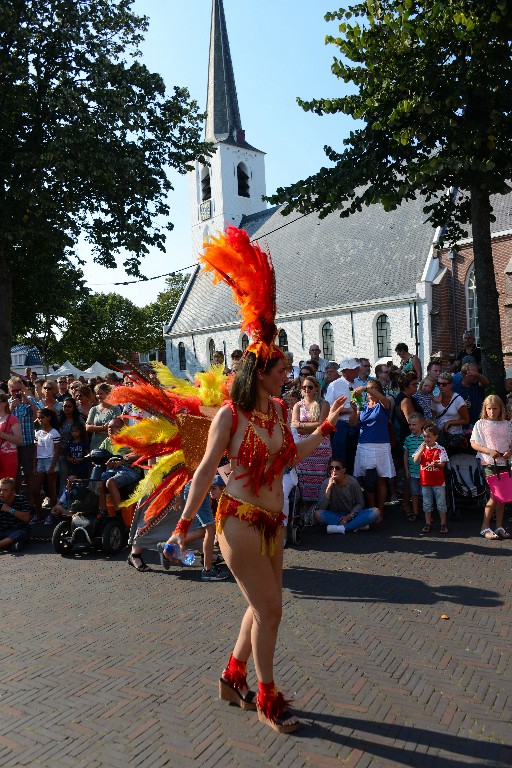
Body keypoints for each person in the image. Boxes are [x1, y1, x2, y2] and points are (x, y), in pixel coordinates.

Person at [162, 225, 346, 733]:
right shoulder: (231, 414)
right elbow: (203, 470)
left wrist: (327, 424)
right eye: (282, 367)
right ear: (260, 372)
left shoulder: (279, 410)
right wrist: (181, 527)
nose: (289, 372)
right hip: (238, 520)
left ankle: (233, 675)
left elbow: (291, 455)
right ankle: (267, 695)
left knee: (259, 607)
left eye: (287, 367)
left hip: (273, 521)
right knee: (272, 610)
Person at [349, 379, 395, 514]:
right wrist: (354, 410)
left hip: (381, 445)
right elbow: (352, 423)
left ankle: (380, 509)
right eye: (370, 389)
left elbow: (385, 400)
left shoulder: (384, 404)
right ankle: (372, 508)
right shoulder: (362, 405)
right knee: (368, 479)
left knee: (381, 479)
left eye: (375, 388)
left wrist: (365, 388)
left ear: (379, 390)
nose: (371, 391)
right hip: (364, 445)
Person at [470, 395, 512, 540]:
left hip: (505, 463)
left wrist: (509, 452)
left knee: (502, 497)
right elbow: (474, 443)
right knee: (495, 495)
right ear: (485, 409)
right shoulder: (480, 424)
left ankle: (499, 526)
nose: (492, 411)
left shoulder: (507, 424)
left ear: (501, 408)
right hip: (488, 462)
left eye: (495, 408)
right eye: (489, 409)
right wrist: (488, 451)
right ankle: (485, 527)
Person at [291, 375, 331, 502]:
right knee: (304, 478)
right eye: (304, 387)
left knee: (320, 478)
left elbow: (322, 425)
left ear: (316, 388)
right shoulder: (298, 405)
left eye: (310, 387)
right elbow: (293, 426)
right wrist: (313, 427)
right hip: (303, 447)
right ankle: (305, 510)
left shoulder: (324, 404)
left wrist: (302, 425)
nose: (306, 389)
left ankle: (319, 508)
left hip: (320, 447)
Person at [313, 458, 380, 533]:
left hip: (353, 515)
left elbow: (360, 503)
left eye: (337, 468)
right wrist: (328, 488)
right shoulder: (326, 483)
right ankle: (356, 526)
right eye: (331, 468)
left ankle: (342, 528)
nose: (334, 470)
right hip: (336, 516)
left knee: (375, 511)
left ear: (344, 470)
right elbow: (321, 507)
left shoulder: (353, 482)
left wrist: (349, 516)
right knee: (317, 514)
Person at [325, 358, 361, 475]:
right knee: (340, 457)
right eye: (355, 368)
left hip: (355, 425)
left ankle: (351, 482)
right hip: (340, 426)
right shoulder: (334, 385)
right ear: (346, 371)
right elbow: (329, 409)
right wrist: (348, 410)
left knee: (353, 457)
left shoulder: (358, 384)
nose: (358, 370)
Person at [413, 422, 449, 535]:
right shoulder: (422, 447)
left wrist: (435, 464)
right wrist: (421, 449)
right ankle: (428, 523)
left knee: (441, 503)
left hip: (438, 482)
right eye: (424, 436)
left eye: (429, 436)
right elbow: (415, 460)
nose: (426, 439)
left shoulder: (440, 449)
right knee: (427, 503)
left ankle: (443, 524)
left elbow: (443, 464)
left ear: (435, 437)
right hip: (425, 481)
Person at [8, 377, 39, 503]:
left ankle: (31, 504)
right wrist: (10, 408)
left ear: (22, 389)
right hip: (12, 446)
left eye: (18, 390)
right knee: (14, 477)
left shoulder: (29, 400)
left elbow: (40, 415)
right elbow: (3, 421)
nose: (16, 393)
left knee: (29, 475)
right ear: (9, 390)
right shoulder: (6, 403)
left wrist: (29, 403)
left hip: (27, 444)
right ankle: (14, 502)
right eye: (14, 390)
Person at [32, 408, 60, 522]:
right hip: (40, 461)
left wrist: (53, 466)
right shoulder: (37, 432)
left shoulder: (54, 432)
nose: (40, 420)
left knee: (51, 489)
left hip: (50, 460)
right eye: (39, 418)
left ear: (49, 418)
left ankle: (52, 515)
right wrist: (34, 465)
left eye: (42, 417)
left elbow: (57, 451)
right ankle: (39, 515)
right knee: (35, 490)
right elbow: (35, 450)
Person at [86, 384, 122, 450]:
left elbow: (114, 428)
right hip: (95, 444)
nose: (98, 396)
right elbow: (88, 428)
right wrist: (103, 427)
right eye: (97, 394)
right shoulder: (94, 409)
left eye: (101, 394)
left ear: (108, 394)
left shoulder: (115, 409)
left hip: (110, 445)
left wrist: (96, 429)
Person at [432, 372, 469, 437]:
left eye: (444, 384)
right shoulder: (435, 399)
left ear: (451, 385)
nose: (440, 386)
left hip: (455, 435)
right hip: (439, 435)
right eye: (439, 383)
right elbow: (432, 418)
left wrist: (450, 422)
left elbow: (466, 420)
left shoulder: (458, 400)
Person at [453, 363, 488, 428]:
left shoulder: (478, 385)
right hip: (462, 425)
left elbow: (486, 383)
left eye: (476, 374)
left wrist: (477, 375)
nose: (475, 377)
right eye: (472, 374)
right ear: (464, 374)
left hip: (478, 424)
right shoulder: (455, 388)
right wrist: (462, 405)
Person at [403, 414, 424, 521]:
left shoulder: (425, 438)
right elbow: (405, 455)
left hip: (424, 471)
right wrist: (406, 469)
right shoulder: (408, 439)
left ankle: (427, 514)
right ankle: (415, 513)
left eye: (414, 424)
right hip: (413, 471)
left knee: (425, 493)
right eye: (410, 424)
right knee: (414, 493)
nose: (411, 427)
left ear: (421, 424)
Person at [0, 477, 30, 552]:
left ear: (13, 491)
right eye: (0, 490)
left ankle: (6, 544)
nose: (1, 493)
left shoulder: (21, 499)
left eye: (5, 490)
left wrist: (10, 509)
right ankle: (10, 545)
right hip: (2, 531)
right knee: (17, 543)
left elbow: (26, 518)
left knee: (21, 534)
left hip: (16, 530)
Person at [0, 392, 22, 479]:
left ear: (4, 403)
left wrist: (1, 434)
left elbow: (19, 440)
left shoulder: (12, 418)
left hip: (8, 456)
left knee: (7, 485)